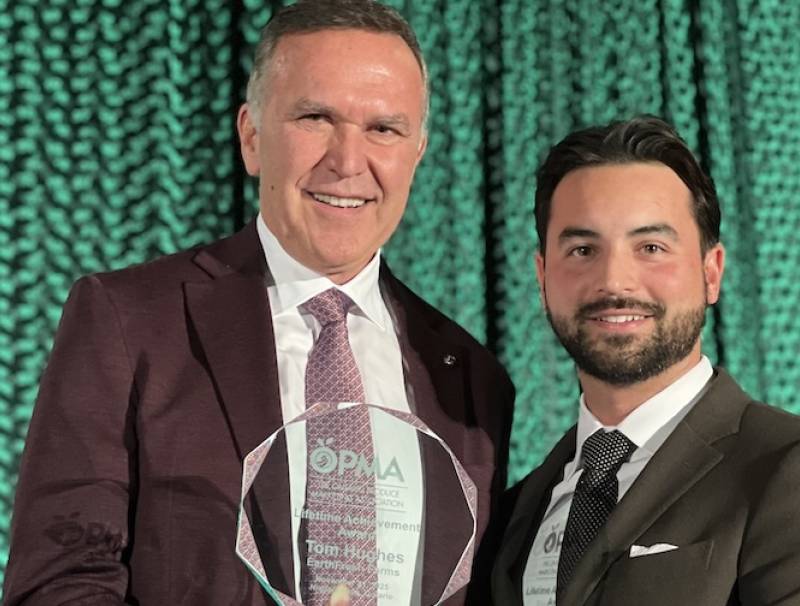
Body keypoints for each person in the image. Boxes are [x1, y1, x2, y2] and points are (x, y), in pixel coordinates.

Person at [3, 2, 514, 604]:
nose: (348, 162)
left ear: (417, 152)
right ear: (251, 136)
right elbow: (60, 580)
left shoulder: (472, 378)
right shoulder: (127, 321)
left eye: (383, 129)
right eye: (315, 117)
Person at [491, 116, 800, 606]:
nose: (614, 281)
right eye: (583, 249)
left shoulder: (786, 467)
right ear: (542, 276)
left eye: (651, 247)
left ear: (711, 272)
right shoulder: (512, 513)